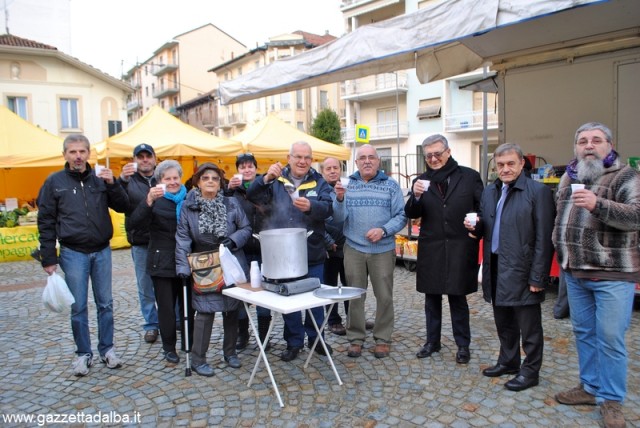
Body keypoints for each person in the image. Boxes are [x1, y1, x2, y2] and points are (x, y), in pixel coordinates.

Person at [553, 122, 640, 428]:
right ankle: (589, 388)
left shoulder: (626, 176)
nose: (588, 145)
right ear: (576, 147)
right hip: (575, 273)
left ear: (608, 145)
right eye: (582, 141)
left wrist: (599, 204)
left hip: (613, 274)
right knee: (584, 333)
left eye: (596, 140)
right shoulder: (569, 176)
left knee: (611, 339)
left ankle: (612, 400)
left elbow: (637, 216)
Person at [465, 143, 555, 392]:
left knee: (530, 328)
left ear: (522, 163)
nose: (505, 169)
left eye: (510, 164)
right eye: (500, 164)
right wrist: (475, 227)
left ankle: (531, 371)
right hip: (496, 267)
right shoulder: (491, 191)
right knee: (503, 322)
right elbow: (487, 225)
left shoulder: (538, 192)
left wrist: (538, 276)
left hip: (523, 270)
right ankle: (508, 361)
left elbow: (545, 239)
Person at [37, 134, 129, 376]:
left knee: (105, 304)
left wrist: (114, 184)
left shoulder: (100, 178)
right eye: (72, 152)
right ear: (65, 155)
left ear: (89, 154)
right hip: (72, 252)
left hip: (101, 250)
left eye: (82, 152)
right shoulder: (54, 182)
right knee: (78, 306)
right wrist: (49, 257)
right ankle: (83, 353)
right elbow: (45, 220)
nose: (78, 156)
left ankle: (107, 350)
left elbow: (123, 206)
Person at [247, 141, 333, 362]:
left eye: (307, 157)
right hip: (284, 252)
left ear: (311, 160)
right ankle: (294, 342)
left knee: (315, 299)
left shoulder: (319, 181)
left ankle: (316, 339)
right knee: (289, 301)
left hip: (311, 250)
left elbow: (328, 208)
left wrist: (312, 207)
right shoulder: (276, 180)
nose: (302, 161)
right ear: (289, 157)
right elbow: (252, 196)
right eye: (298, 157)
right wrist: (265, 178)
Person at [404, 134, 483, 364]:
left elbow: (482, 208)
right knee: (432, 298)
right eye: (428, 155)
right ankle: (432, 341)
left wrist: (476, 222)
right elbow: (411, 213)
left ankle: (462, 345)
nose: (433, 159)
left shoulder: (469, 177)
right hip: (432, 247)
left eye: (437, 153)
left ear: (448, 152)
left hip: (460, 246)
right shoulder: (421, 180)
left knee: (458, 299)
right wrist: (416, 195)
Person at [176, 162, 251, 376]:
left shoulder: (232, 203)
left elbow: (245, 227)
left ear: (221, 183)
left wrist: (234, 240)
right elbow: (182, 238)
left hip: (230, 259)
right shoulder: (188, 207)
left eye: (215, 178)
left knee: (231, 309)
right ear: (197, 182)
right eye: (206, 178)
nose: (210, 181)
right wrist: (182, 265)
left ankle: (230, 353)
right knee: (205, 312)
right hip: (203, 263)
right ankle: (199, 359)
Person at [333, 144, 407, 359]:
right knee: (355, 296)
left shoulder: (391, 186)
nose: (367, 161)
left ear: (378, 161)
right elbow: (337, 218)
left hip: (382, 249)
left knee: (384, 296)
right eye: (362, 158)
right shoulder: (347, 185)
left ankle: (382, 339)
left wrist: (384, 230)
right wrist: (338, 199)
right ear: (356, 163)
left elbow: (401, 216)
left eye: (371, 157)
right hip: (354, 247)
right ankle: (355, 338)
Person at [128, 160, 193, 365]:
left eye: (175, 178)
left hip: (186, 261)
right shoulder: (154, 198)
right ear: (160, 181)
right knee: (165, 308)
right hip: (161, 260)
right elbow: (133, 224)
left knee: (188, 305)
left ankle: (188, 343)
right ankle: (169, 347)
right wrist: (147, 202)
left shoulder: (190, 197)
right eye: (168, 179)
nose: (172, 182)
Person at [226, 153, 270, 350]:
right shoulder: (232, 192)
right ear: (237, 170)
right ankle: (242, 334)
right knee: (242, 294)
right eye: (242, 166)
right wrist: (228, 191)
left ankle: (264, 336)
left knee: (264, 294)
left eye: (250, 166)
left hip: (264, 249)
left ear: (255, 168)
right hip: (240, 250)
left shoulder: (265, 187)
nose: (247, 170)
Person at [117, 143, 159, 344]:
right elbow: (117, 201)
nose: (144, 160)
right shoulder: (127, 182)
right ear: (134, 160)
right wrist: (121, 181)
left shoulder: (162, 177)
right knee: (145, 286)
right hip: (141, 241)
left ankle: (175, 320)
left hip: (164, 240)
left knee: (170, 282)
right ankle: (151, 324)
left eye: (147, 156)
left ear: (154, 158)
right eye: (140, 156)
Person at [320, 157, 349, 336]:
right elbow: (315, 221)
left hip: (348, 246)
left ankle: (353, 318)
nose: (332, 171)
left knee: (349, 284)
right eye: (328, 168)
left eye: (335, 167)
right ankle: (333, 320)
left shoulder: (347, 187)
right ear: (323, 172)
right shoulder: (320, 191)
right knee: (330, 286)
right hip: (329, 248)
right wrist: (327, 241)